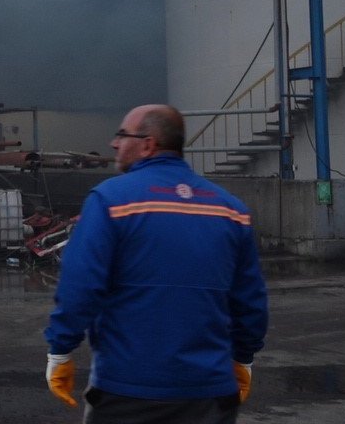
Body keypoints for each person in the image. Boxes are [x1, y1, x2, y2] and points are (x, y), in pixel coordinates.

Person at [44, 104, 268, 423]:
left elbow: (80, 286)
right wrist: (243, 358)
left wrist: (61, 350)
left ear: (148, 143)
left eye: (122, 135)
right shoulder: (231, 210)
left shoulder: (111, 200)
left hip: (128, 393)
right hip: (210, 395)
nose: (114, 143)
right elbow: (250, 300)